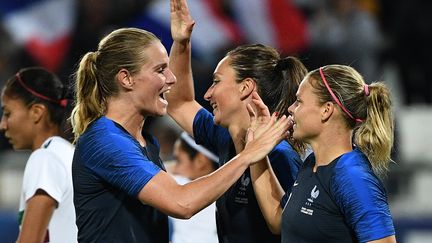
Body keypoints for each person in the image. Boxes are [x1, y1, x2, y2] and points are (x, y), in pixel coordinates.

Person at [70, 25, 290, 242]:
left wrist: (182, 42)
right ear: (126, 78)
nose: (171, 78)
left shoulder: (146, 142)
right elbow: (181, 203)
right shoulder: (106, 140)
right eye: (160, 70)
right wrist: (247, 156)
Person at [166, 0, 307, 242]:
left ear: (246, 87)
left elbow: (292, 231)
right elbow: (177, 102)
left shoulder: (279, 156)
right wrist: (181, 43)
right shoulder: (225, 137)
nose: (208, 94)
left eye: (217, 81)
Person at [249, 64, 396, 242]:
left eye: (299, 102)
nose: (291, 109)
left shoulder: (353, 177)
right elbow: (277, 220)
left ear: (326, 110)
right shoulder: (311, 163)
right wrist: (256, 152)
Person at [0, 67, 77, 243]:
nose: (3, 125)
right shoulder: (69, 153)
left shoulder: (45, 157)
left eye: (7, 113)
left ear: (36, 112)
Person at [168, 132, 219, 243]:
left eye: (178, 160)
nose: (174, 169)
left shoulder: (179, 183)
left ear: (200, 161)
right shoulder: (233, 198)